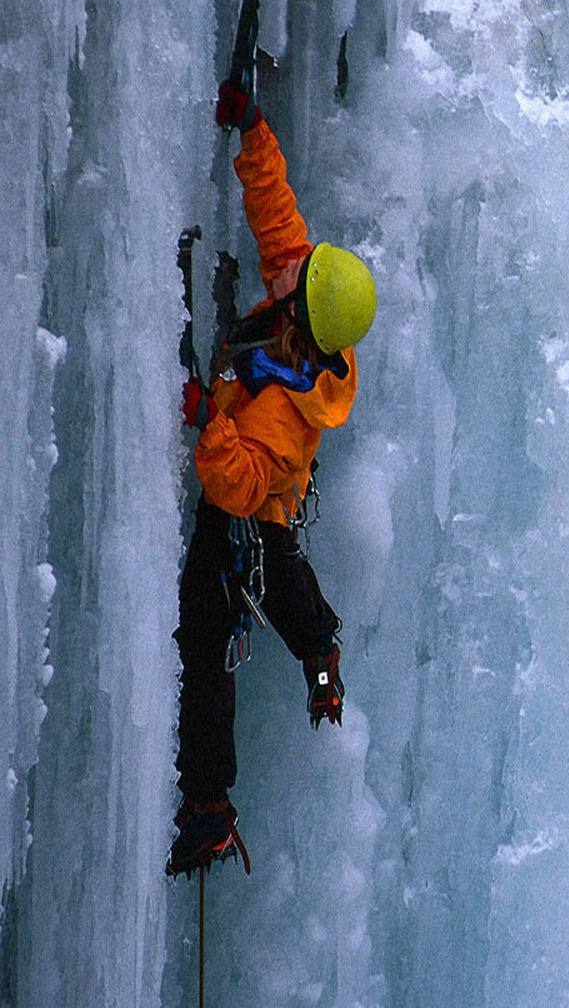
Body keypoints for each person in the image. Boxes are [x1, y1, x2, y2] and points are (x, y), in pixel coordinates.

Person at [167, 81, 377, 878]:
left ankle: (209, 807)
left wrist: (204, 419)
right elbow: (280, 223)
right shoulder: (311, 318)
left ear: (302, 319)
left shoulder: (287, 419)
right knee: (282, 591)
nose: (287, 275)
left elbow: (239, 485)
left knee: (208, 638)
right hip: (260, 507)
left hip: (251, 514)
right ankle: (319, 647)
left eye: (298, 280)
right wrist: (254, 130)